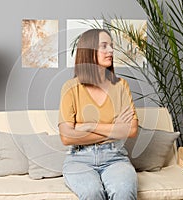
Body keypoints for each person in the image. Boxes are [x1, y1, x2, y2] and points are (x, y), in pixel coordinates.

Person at [58, 29, 138, 200]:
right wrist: (114, 129)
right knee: (92, 193)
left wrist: (88, 127)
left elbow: (130, 130)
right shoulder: (71, 87)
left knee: (124, 191)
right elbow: (66, 137)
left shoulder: (121, 86)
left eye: (111, 46)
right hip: (79, 159)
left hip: (115, 157)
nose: (110, 51)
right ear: (88, 52)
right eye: (104, 46)